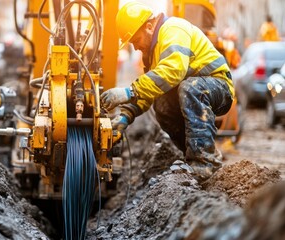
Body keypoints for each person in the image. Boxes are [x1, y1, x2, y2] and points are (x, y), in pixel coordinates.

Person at [101, 1, 235, 181]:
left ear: (149, 27)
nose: (135, 47)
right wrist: (126, 115)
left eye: (136, 40)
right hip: (198, 88)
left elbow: (173, 70)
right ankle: (193, 157)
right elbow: (150, 89)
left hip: (219, 86)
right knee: (162, 105)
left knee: (190, 88)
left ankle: (205, 162)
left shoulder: (172, 29)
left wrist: (129, 91)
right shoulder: (152, 51)